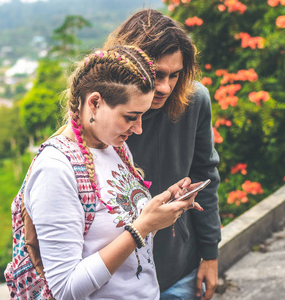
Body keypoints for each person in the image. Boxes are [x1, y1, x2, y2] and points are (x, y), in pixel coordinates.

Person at [5, 46, 202, 300]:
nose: (139, 128)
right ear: (94, 103)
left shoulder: (114, 147)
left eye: (142, 115)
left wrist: (162, 211)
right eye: (131, 116)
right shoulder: (56, 169)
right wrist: (142, 228)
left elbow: (119, 231)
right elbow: (65, 289)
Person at [105, 9, 222, 300]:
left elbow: (204, 176)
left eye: (175, 75)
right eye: (156, 74)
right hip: (120, 278)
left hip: (179, 269)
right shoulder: (104, 116)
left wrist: (210, 254)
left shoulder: (194, 101)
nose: (165, 87)